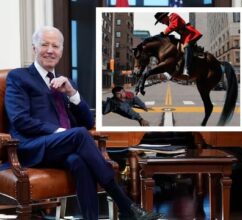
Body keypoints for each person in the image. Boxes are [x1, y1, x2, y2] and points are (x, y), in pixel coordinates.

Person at [4, 26, 162, 220]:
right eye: (44, 44)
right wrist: (61, 132)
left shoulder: (66, 83)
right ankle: (126, 205)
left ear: (61, 51)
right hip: (31, 147)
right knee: (78, 134)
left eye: (55, 46)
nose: (50, 50)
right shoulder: (19, 77)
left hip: (63, 149)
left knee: (78, 161)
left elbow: (87, 121)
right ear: (34, 48)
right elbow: (19, 120)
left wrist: (72, 94)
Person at [154, 12, 202, 76]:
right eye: (160, 22)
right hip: (184, 37)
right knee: (176, 49)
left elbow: (174, 26)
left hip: (190, 34)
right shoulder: (168, 22)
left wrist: (164, 32)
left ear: (165, 17)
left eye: (161, 20)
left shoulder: (173, 16)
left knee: (186, 46)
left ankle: (186, 69)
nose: (162, 23)